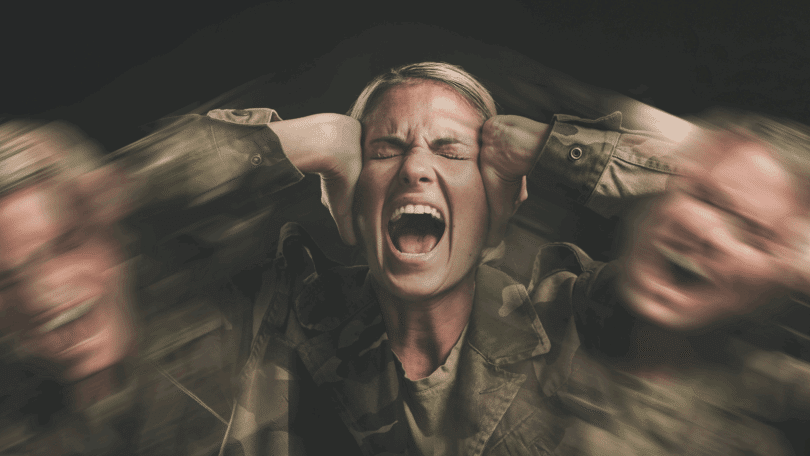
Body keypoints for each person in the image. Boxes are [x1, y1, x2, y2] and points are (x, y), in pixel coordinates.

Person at [1, 62, 809, 455]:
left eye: (453, 150)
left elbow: (724, 198)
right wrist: (309, 138)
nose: (417, 166)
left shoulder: (571, 312)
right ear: (350, 200)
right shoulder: (284, 311)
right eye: (385, 147)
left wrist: (561, 148)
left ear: (501, 198)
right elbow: (113, 209)